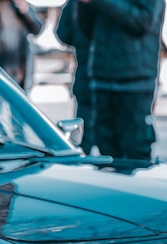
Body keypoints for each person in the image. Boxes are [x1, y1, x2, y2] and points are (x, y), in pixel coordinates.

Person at [77, 0, 164, 161]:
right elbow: (85, 30)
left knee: (137, 151)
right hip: (101, 79)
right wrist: (84, 5)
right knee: (106, 150)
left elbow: (143, 22)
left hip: (135, 82)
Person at [55, 0, 94, 154]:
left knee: (85, 137)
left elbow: (63, 33)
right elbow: (62, 33)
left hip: (88, 75)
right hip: (90, 76)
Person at [0, 0, 44, 90]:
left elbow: (37, 29)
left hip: (22, 71)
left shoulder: (18, 5)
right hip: (1, 70)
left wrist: (25, 10)